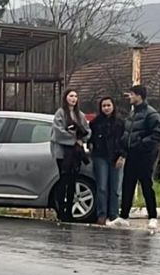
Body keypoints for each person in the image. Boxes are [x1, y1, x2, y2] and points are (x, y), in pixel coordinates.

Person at [112, 85, 160, 230]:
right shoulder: (133, 113)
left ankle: (152, 217)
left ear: (139, 96)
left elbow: (158, 135)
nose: (129, 97)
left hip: (145, 156)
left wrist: (141, 144)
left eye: (132, 94)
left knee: (146, 185)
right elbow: (127, 134)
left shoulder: (151, 114)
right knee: (128, 184)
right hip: (131, 154)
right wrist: (123, 150)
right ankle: (124, 216)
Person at [50, 89, 91, 221]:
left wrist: (81, 139)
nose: (73, 98)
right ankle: (61, 210)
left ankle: (70, 211)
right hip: (62, 153)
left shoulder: (81, 115)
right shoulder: (60, 113)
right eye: (71, 96)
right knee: (63, 180)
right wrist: (73, 139)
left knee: (73, 182)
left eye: (75, 96)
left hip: (76, 154)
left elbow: (88, 131)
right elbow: (57, 132)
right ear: (65, 98)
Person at [89, 97, 125, 225]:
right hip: (100, 157)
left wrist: (122, 156)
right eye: (104, 106)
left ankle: (114, 214)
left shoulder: (120, 123)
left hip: (116, 157)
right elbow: (90, 139)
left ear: (113, 106)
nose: (106, 108)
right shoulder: (95, 123)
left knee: (115, 188)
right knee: (102, 187)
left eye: (108, 105)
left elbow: (124, 141)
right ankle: (102, 214)